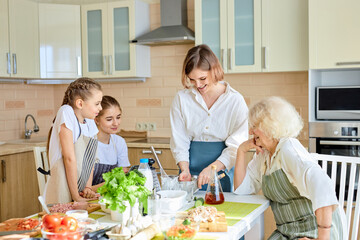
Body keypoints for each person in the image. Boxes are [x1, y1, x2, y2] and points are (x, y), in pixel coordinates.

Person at [234, 96, 346, 240]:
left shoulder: (288, 148)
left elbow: (322, 183)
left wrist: (323, 237)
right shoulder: (264, 154)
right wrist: (241, 151)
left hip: (314, 230)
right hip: (288, 232)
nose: (250, 132)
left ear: (269, 127)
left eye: (254, 127)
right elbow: (242, 190)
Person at [170, 44, 249, 192]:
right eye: (192, 80)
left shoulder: (235, 101)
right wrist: (184, 169)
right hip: (189, 170)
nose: (198, 85)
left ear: (214, 70)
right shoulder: (181, 99)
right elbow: (179, 140)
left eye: (202, 78)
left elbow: (236, 147)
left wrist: (212, 169)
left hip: (222, 170)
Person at [44, 77, 103, 204]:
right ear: (80, 103)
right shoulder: (66, 112)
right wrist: (75, 195)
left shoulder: (90, 122)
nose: (100, 108)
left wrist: (87, 188)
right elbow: (69, 159)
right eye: (97, 104)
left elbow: (90, 160)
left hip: (80, 189)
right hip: (62, 188)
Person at [91, 95, 130, 189]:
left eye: (118, 117)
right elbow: (83, 188)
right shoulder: (88, 142)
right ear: (96, 120)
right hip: (88, 198)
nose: (115, 123)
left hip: (110, 197)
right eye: (109, 119)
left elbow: (123, 175)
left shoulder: (119, 142)